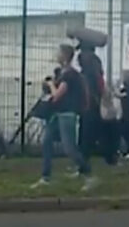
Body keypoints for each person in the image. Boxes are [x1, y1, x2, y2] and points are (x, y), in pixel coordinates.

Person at [32, 44, 97, 191]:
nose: (56, 55)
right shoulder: (63, 72)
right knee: (47, 143)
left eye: (58, 52)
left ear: (64, 56)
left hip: (67, 114)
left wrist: (50, 85)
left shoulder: (69, 74)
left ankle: (89, 175)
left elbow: (57, 95)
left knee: (69, 148)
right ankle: (45, 177)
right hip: (57, 114)